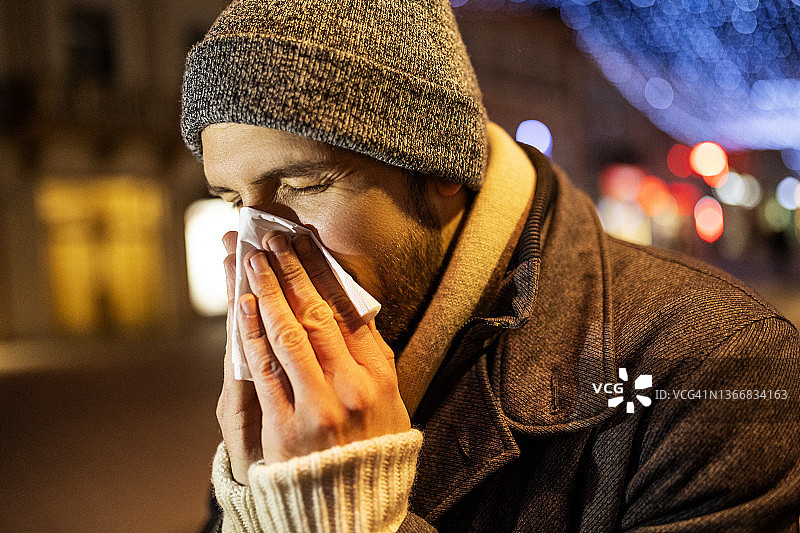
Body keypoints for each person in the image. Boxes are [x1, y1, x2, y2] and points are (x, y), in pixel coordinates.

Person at [181, 1, 800, 531]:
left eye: (305, 184)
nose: (261, 242)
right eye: (235, 201)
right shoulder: (282, 387)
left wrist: (349, 512)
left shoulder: (713, 372)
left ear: (440, 169)